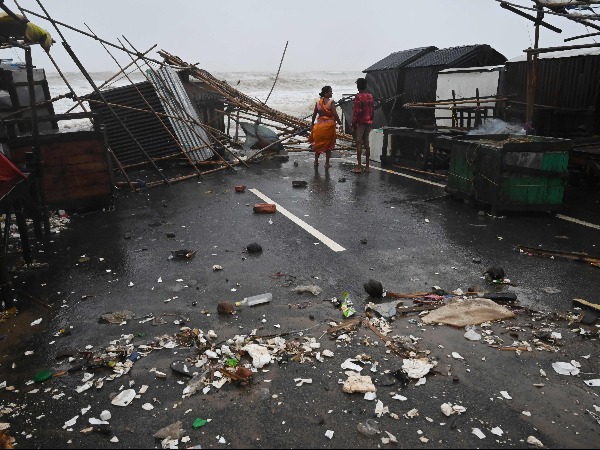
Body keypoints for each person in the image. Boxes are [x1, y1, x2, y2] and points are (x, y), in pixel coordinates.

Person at [309, 86, 343, 168]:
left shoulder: (318, 103)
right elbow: (335, 114)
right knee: (328, 145)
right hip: (329, 127)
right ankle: (327, 163)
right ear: (325, 93)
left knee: (318, 144)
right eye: (330, 91)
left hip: (319, 127)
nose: (332, 93)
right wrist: (340, 123)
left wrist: (312, 124)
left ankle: (316, 161)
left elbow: (314, 115)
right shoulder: (331, 102)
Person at [351, 78, 375, 173]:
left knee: (358, 142)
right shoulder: (370, 96)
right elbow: (372, 111)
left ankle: (359, 167)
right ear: (366, 86)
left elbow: (357, 112)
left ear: (358, 86)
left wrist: (353, 124)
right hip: (368, 121)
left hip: (360, 123)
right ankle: (367, 167)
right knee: (366, 143)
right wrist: (370, 119)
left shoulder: (358, 97)